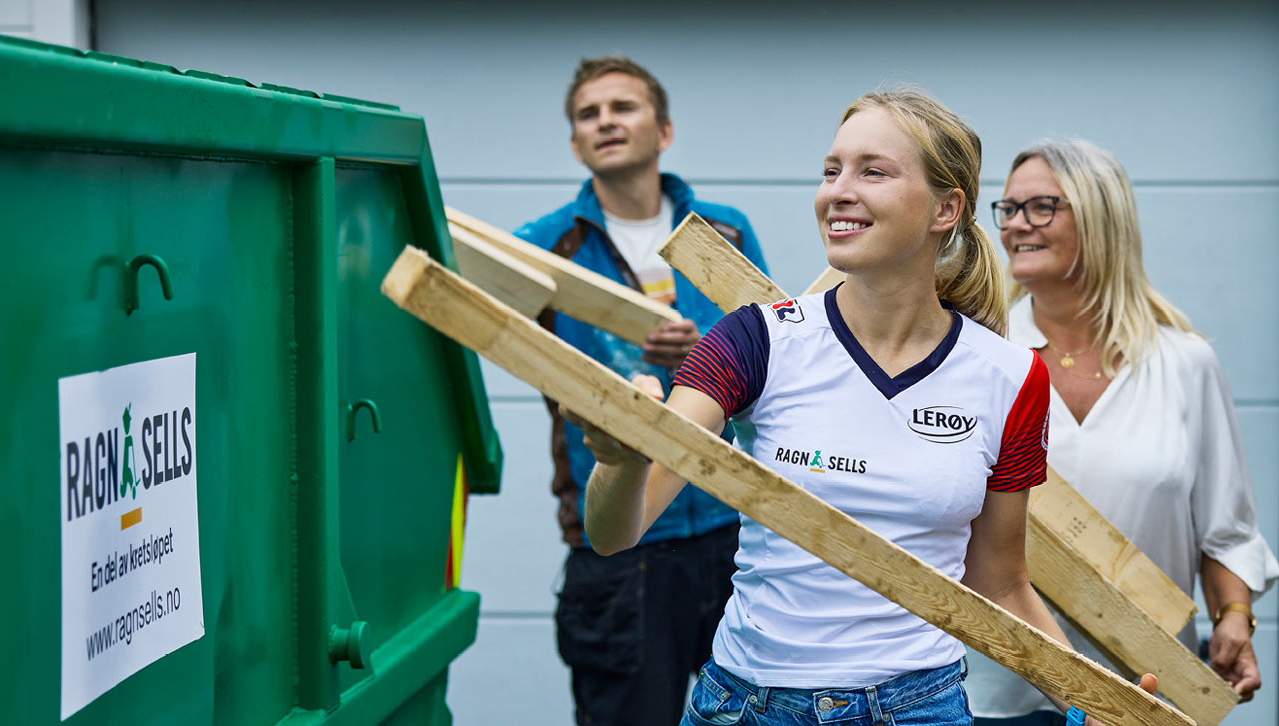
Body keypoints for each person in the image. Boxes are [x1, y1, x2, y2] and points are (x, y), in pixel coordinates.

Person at [568, 89, 1147, 726]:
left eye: (873, 171)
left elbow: (1000, 582)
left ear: (945, 209)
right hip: (746, 706)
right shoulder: (757, 340)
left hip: (917, 708)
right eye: (831, 170)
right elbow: (614, 532)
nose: (838, 191)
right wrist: (617, 459)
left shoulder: (1010, 377)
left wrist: (1097, 705)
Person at [965, 139, 1279, 724]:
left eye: (1041, 207)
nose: (1015, 226)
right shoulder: (978, 356)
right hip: (997, 687)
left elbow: (1227, 531)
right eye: (1008, 209)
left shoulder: (1184, 364)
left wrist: (1234, 616)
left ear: (1101, 216)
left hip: (1148, 686)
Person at [513, 55, 768, 726]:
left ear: (664, 130)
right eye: (588, 115)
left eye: (622, 107)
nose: (605, 122)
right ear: (575, 143)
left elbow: (779, 364)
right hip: (618, 548)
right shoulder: (543, 249)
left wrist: (705, 357)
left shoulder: (727, 232)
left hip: (729, 532)